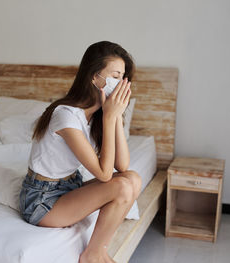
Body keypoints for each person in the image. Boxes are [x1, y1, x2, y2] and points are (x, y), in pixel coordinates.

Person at [19, 41, 142, 263]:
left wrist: (113, 117)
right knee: (122, 185)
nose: (120, 83)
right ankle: (92, 255)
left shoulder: (98, 115)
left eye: (122, 77)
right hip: (42, 200)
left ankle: (97, 251)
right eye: (115, 76)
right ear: (94, 77)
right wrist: (109, 116)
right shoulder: (65, 115)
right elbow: (105, 175)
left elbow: (122, 166)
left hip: (69, 187)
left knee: (132, 178)